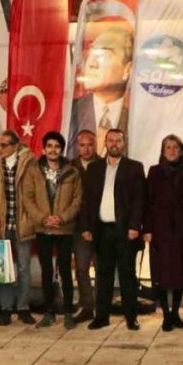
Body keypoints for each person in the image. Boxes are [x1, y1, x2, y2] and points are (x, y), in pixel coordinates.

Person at [80, 128, 146, 330]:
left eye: (118, 140)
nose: (114, 143)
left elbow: (139, 200)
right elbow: (88, 200)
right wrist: (86, 226)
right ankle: (102, 316)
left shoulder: (134, 167)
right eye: (110, 140)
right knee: (103, 274)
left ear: (123, 143)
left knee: (127, 275)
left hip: (125, 230)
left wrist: (135, 226)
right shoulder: (94, 168)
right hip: (101, 230)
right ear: (105, 143)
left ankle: (131, 317)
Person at [24, 131, 83, 328]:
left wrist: (62, 218)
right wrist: (43, 218)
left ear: (61, 149)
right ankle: (49, 313)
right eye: (49, 146)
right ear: (43, 149)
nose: (53, 150)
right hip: (43, 229)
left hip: (64, 229)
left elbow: (77, 199)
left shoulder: (72, 172)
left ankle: (67, 312)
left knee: (66, 270)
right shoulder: (33, 171)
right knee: (46, 271)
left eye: (56, 146)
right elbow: (28, 198)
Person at [0, 130, 36, 325]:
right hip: (1, 223)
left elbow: (34, 190)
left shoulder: (29, 160)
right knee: (1, 267)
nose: (0, 148)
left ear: (15, 146)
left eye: (5, 145)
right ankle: (5, 308)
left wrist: (32, 217)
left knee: (23, 268)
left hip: (22, 222)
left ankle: (23, 307)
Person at [144, 135, 183, 331]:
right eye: (168, 147)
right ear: (163, 152)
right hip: (159, 228)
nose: (172, 151)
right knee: (161, 273)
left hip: (181, 227)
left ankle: (176, 313)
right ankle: (165, 314)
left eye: (175, 147)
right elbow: (147, 202)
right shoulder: (154, 172)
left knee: (180, 272)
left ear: (181, 151)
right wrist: (146, 229)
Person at [69, 27, 133, 154]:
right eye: (91, 54)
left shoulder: (136, 118)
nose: (92, 64)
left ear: (127, 70)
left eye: (104, 55)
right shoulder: (70, 113)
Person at [71, 129, 100, 323]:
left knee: (102, 268)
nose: (87, 148)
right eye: (82, 145)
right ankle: (87, 306)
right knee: (81, 268)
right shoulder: (70, 167)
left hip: (101, 225)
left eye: (90, 144)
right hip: (77, 226)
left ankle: (101, 305)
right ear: (77, 147)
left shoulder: (104, 164)